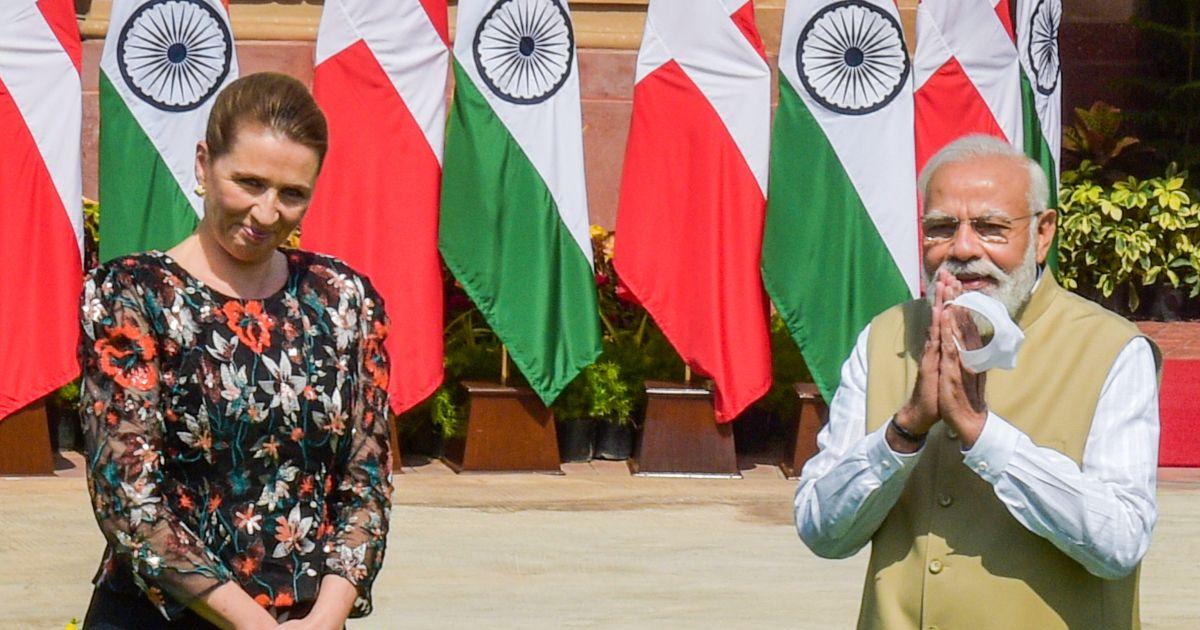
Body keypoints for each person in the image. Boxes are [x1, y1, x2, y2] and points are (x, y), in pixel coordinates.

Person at [794, 135, 1161, 629]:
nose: (963, 249)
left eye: (991, 228)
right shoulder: (885, 337)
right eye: (941, 228)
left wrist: (984, 434)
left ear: (1043, 234)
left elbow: (1121, 542)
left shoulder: (1110, 349)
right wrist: (903, 432)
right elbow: (822, 532)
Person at [79, 73, 393, 629]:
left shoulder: (345, 299)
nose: (267, 213)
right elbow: (127, 496)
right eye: (249, 183)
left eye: (292, 193)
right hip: (159, 615)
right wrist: (253, 623)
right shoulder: (131, 295)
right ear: (204, 165)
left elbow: (366, 479)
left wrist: (327, 616)